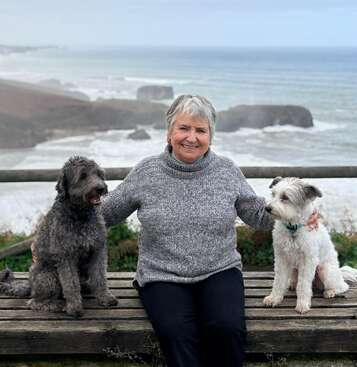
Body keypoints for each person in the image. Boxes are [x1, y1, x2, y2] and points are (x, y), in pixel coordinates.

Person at [101, 94, 273, 366]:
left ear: (210, 137)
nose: (191, 137)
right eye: (184, 128)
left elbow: (257, 214)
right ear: (170, 133)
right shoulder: (147, 171)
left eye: (200, 130)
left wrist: (296, 215)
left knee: (226, 329)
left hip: (219, 269)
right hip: (161, 274)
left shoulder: (227, 170)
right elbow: (104, 213)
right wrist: (53, 233)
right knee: (176, 333)